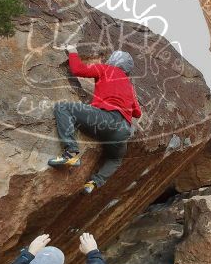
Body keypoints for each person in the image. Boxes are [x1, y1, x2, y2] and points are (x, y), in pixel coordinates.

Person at [48, 46, 142, 194]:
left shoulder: (105, 69)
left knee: (63, 108)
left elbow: (78, 70)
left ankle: (70, 153)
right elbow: (137, 113)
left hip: (105, 119)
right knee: (115, 159)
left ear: (114, 60)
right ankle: (94, 182)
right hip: (123, 130)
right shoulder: (130, 87)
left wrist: (72, 51)